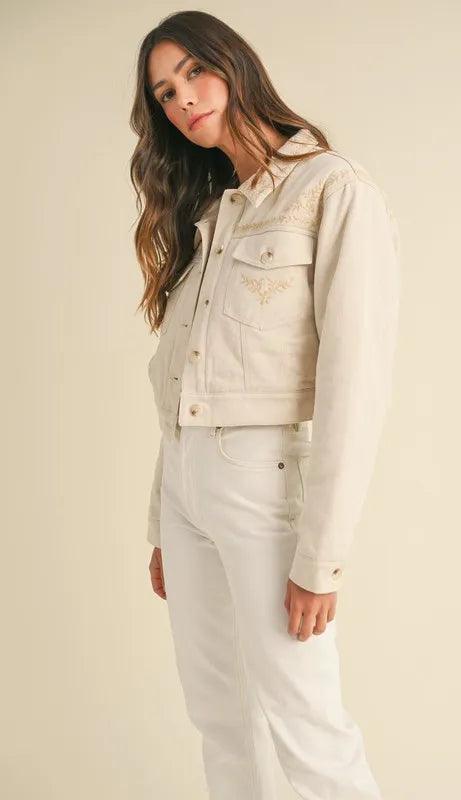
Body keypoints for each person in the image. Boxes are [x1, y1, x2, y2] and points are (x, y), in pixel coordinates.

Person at [130, 10, 400, 800]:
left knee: (305, 723)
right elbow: (183, 389)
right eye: (164, 92)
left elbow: (355, 383)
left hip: (261, 482)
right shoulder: (212, 214)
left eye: (193, 72)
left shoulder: (331, 188)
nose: (183, 99)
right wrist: (164, 521)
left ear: (234, 64)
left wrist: (321, 557)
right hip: (186, 490)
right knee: (219, 717)